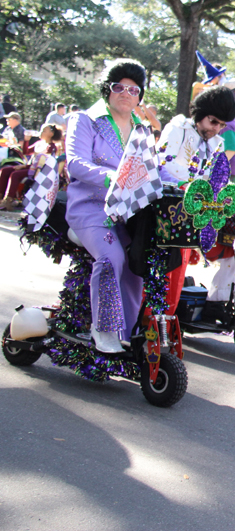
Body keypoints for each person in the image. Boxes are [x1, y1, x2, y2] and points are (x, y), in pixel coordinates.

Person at [65, 58, 149, 353]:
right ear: (107, 89)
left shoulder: (142, 129)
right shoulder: (86, 120)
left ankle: (125, 333)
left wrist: (184, 183)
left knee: (137, 264)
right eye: (119, 87)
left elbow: (154, 168)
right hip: (90, 208)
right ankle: (105, 330)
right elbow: (75, 163)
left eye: (134, 89)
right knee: (113, 258)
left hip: (127, 213)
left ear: (140, 96)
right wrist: (113, 177)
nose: (126, 93)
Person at [157, 85, 235, 323]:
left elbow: (214, 180)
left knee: (177, 275)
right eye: (213, 121)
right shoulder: (177, 129)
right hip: (163, 212)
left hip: (191, 216)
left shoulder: (217, 144)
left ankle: (166, 329)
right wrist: (192, 184)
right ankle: (145, 328)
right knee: (158, 274)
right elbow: (161, 165)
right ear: (200, 113)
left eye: (222, 125)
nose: (217, 129)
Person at [0, 124, 63, 210]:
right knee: (4, 170)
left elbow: (44, 163)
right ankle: (1, 196)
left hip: (39, 170)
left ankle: (8, 200)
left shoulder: (51, 147)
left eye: (44, 131)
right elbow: (26, 152)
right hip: (30, 167)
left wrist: (24, 167)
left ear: (51, 134)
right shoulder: (39, 143)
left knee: (15, 174)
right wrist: (27, 140)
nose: (41, 132)